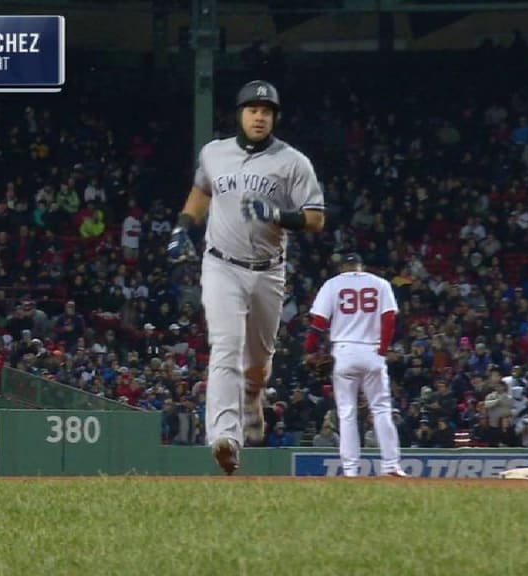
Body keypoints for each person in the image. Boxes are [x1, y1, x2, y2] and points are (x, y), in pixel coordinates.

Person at [168, 80, 326, 475]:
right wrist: (182, 226)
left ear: (274, 117)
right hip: (221, 265)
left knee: (257, 361)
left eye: (267, 111)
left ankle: (254, 396)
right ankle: (225, 437)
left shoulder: (293, 161)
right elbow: (201, 191)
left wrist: (278, 215)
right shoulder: (214, 153)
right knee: (226, 346)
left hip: (268, 271)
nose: (260, 116)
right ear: (239, 114)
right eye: (253, 109)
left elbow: (316, 218)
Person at [304, 253, 408, 477]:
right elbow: (390, 318)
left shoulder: (332, 284)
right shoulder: (380, 283)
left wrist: (309, 350)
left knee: (347, 412)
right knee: (381, 409)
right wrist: (382, 350)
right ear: (361, 267)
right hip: (372, 350)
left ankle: (351, 469)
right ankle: (391, 465)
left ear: (343, 267)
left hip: (344, 351)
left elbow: (319, 323)